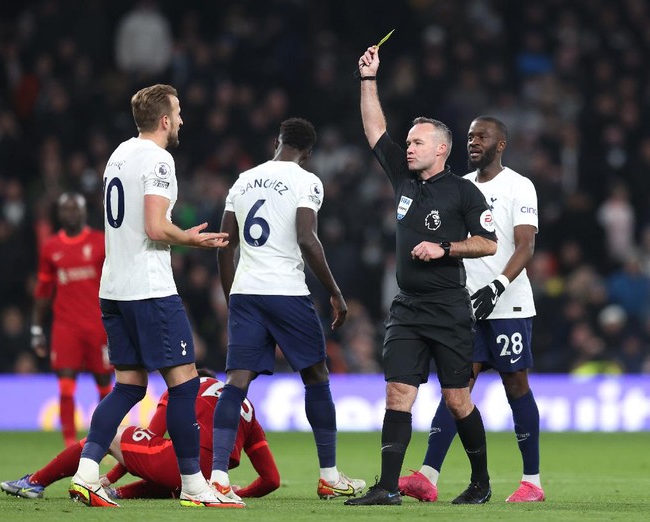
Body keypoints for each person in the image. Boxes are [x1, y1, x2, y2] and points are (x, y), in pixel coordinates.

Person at [67, 83, 239, 509]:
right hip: (149, 289)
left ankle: (87, 473)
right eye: (178, 113)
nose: (181, 120)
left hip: (114, 289)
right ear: (164, 120)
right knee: (184, 386)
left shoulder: (118, 154)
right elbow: (155, 228)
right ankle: (195, 486)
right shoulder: (160, 159)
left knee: (127, 387)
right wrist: (192, 240)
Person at [345, 46, 498, 507]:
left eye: (417, 142)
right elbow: (375, 129)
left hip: (449, 307)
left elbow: (488, 243)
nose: (408, 147)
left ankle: (481, 482)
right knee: (397, 392)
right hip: (407, 308)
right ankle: (388, 487)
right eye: (408, 142)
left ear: (441, 149)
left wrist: (444, 247)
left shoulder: (464, 192)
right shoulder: (404, 180)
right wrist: (368, 79)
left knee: (456, 400)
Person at [211, 117, 365, 502]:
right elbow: (307, 238)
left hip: (246, 293)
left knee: (235, 383)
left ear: (277, 141)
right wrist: (335, 292)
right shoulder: (307, 181)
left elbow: (224, 244)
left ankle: (216, 479)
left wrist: (232, 297)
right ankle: (329, 475)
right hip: (285, 292)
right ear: (308, 152)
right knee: (316, 375)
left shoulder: (243, 179)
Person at [399, 116, 544, 503]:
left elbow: (525, 247)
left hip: (509, 302)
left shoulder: (519, 186)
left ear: (501, 144)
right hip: (466, 307)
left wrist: (498, 285)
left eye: (482, 136)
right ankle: (428, 475)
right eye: (469, 136)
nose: (473, 142)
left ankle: (532, 482)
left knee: (516, 384)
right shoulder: (459, 187)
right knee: (456, 388)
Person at [0, 370, 280, 500]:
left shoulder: (183, 387)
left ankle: (34, 483)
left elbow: (150, 435)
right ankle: (117, 493)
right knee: (171, 466)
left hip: (180, 466)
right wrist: (236, 491)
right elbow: (272, 480)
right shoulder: (244, 406)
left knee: (112, 435)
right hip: (208, 479)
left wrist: (109, 474)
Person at [31, 192, 112, 448]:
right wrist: (36, 328)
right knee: (66, 386)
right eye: (65, 210)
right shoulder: (51, 247)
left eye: (74, 209)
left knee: (105, 386)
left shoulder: (101, 242)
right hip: (65, 327)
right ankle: (69, 443)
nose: (70, 214)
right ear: (59, 214)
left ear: (84, 211)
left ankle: (105, 439)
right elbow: (43, 290)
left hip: (98, 325)